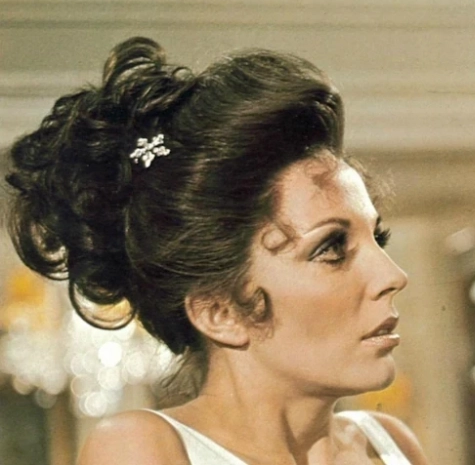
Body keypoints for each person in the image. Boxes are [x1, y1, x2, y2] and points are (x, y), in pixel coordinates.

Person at [6, 36, 429, 465]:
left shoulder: (389, 444)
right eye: (331, 249)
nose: (393, 276)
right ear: (219, 312)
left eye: (377, 238)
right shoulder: (139, 447)